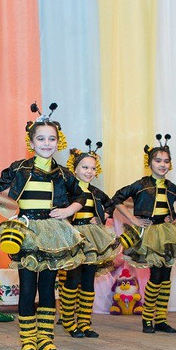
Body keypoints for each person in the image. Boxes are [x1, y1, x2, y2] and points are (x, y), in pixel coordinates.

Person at [0, 103, 85, 350]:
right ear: (32, 141)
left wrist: (68, 211)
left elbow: (80, 196)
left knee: (49, 289)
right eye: (41, 138)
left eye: (52, 139)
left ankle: (46, 341)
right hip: (26, 231)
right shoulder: (20, 168)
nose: (47, 143)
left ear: (58, 141)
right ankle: (28, 341)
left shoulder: (63, 173)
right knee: (28, 288)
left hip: (52, 233)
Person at [109, 135, 176, 334]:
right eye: (158, 161)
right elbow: (117, 198)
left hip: (167, 234)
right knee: (155, 276)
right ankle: (148, 319)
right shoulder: (141, 184)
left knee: (166, 276)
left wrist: (175, 218)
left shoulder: (172, 188)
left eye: (166, 161)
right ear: (149, 164)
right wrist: (133, 219)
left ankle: (161, 319)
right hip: (149, 234)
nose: (162, 165)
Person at [58, 140, 117, 338]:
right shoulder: (67, 191)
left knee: (89, 280)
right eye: (85, 167)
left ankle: (84, 322)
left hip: (92, 239)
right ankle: (68, 321)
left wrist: (102, 216)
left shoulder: (97, 193)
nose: (89, 171)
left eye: (93, 168)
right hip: (73, 237)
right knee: (72, 279)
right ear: (74, 169)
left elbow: (110, 204)